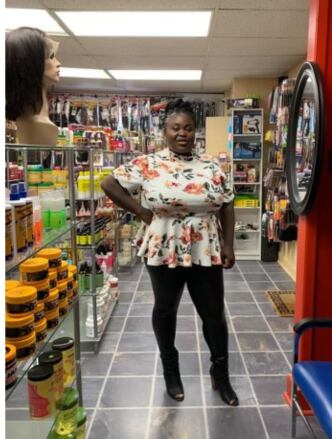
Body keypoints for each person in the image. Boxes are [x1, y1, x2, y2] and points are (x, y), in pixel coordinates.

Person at [101, 99, 239, 406]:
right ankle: (171, 371)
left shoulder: (212, 167)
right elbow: (109, 183)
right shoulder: (148, 164)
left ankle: (221, 374)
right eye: (176, 127)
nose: (182, 133)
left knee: (214, 315)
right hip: (163, 246)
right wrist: (141, 212)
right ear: (165, 130)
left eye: (188, 128)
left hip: (205, 247)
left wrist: (228, 244)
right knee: (166, 310)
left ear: (195, 131)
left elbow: (227, 203)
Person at [6, 26, 61, 145]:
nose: (58, 63)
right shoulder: (35, 125)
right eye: (51, 57)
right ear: (32, 64)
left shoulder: (39, 120)